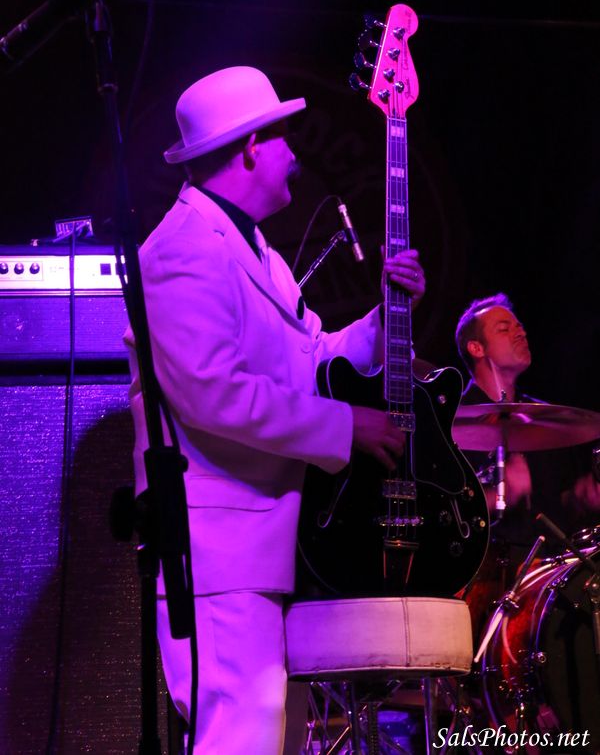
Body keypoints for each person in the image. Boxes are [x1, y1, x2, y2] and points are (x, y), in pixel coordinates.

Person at [124, 66, 426, 755]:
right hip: (217, 556)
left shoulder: (256, 252)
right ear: (252, 147)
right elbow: (214, 393)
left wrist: (387, 315)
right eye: (284, 135)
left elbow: (312, 357)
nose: (295, 152)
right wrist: (346, 427)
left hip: (261, 550)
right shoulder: (180, 251)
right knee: (244, 731)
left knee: (272, 736)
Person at [455, 293, 600, 592]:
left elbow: (560, 503)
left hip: (548, 576)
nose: (520, 332)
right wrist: (500, 494)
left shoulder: (545, 421)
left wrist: (582, 497)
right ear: (476, 348)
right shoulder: (454, 422)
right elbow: (442, 512)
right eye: (504, 328)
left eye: (519, 326)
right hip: (481, 575)